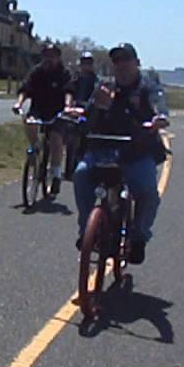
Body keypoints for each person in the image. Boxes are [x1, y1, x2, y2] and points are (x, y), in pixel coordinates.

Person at [70, 43, 169, 265]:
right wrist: (81, 114)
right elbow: (88, 113)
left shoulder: (148, 88)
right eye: (117, 61)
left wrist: (159, 119)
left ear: (137, 63)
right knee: (81, 175)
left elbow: (159, 106)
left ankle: (139, 237)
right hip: (102, 148)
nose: (122, 65)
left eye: (127, 60)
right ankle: (87, 230)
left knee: (147, 192)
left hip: (136, 151)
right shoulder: (105, 87)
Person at [12, 42, 71, 195]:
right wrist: (18, 104)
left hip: (57, 112)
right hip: (38, 109)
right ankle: (35, 147)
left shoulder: (64, 73)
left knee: (56, 139)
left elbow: (69, 91)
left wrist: (67, 107)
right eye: (46, 56)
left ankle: (56, 175)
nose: (48, 59)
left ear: (58, 57)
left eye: (52, 56)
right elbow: (25, 89)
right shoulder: (36, 72)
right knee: (29, 121)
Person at [62, 51, 99, 178]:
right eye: (84, 63)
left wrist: (88, 107)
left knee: (87, 137)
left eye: (88, 63)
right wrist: (68, 105)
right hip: (74, 110)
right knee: (70, 137)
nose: (86, 66)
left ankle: (85, 164)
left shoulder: (96, 80)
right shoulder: (76, 79)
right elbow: (69, 91)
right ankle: (68, 170)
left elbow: (96, 95)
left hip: (89, 111)